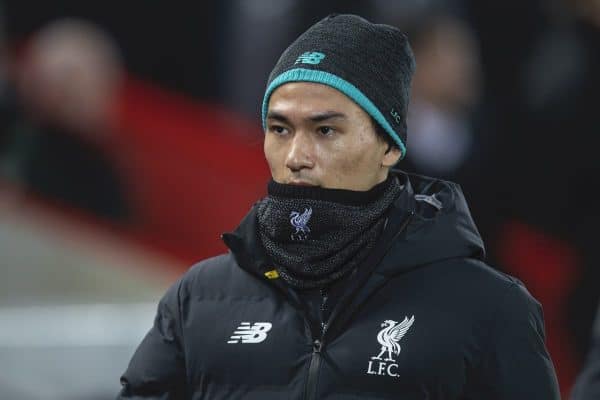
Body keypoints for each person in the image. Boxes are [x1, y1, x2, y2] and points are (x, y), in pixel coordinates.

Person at [117, 14, 560, 399]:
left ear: (389, 145)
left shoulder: (490, 309)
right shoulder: (200, 296)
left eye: (325, 131)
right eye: (279, 129)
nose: (296, 157)